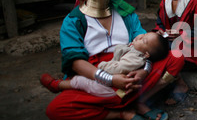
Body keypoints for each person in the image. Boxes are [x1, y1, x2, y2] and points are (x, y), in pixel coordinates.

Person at [42, 0, 184, 120]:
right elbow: (76, 62)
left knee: (176, 57)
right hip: (96, 75)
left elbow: (145, 44)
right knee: (56, 110)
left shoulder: (125, 13)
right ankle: (122, 113)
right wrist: (110, 79)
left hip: (132, 68)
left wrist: (145, 70)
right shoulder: (74, 21)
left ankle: (140, 101)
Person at [41, 32, 169, 101]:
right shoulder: (75, 20)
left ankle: (57, 85)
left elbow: (118, 68)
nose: (140, 36)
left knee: (81, 82)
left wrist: (146, 69)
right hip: (108, 76)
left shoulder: (135, 57)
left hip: (113, 87)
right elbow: (74, 59)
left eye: (143, 39)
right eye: (143, 35)